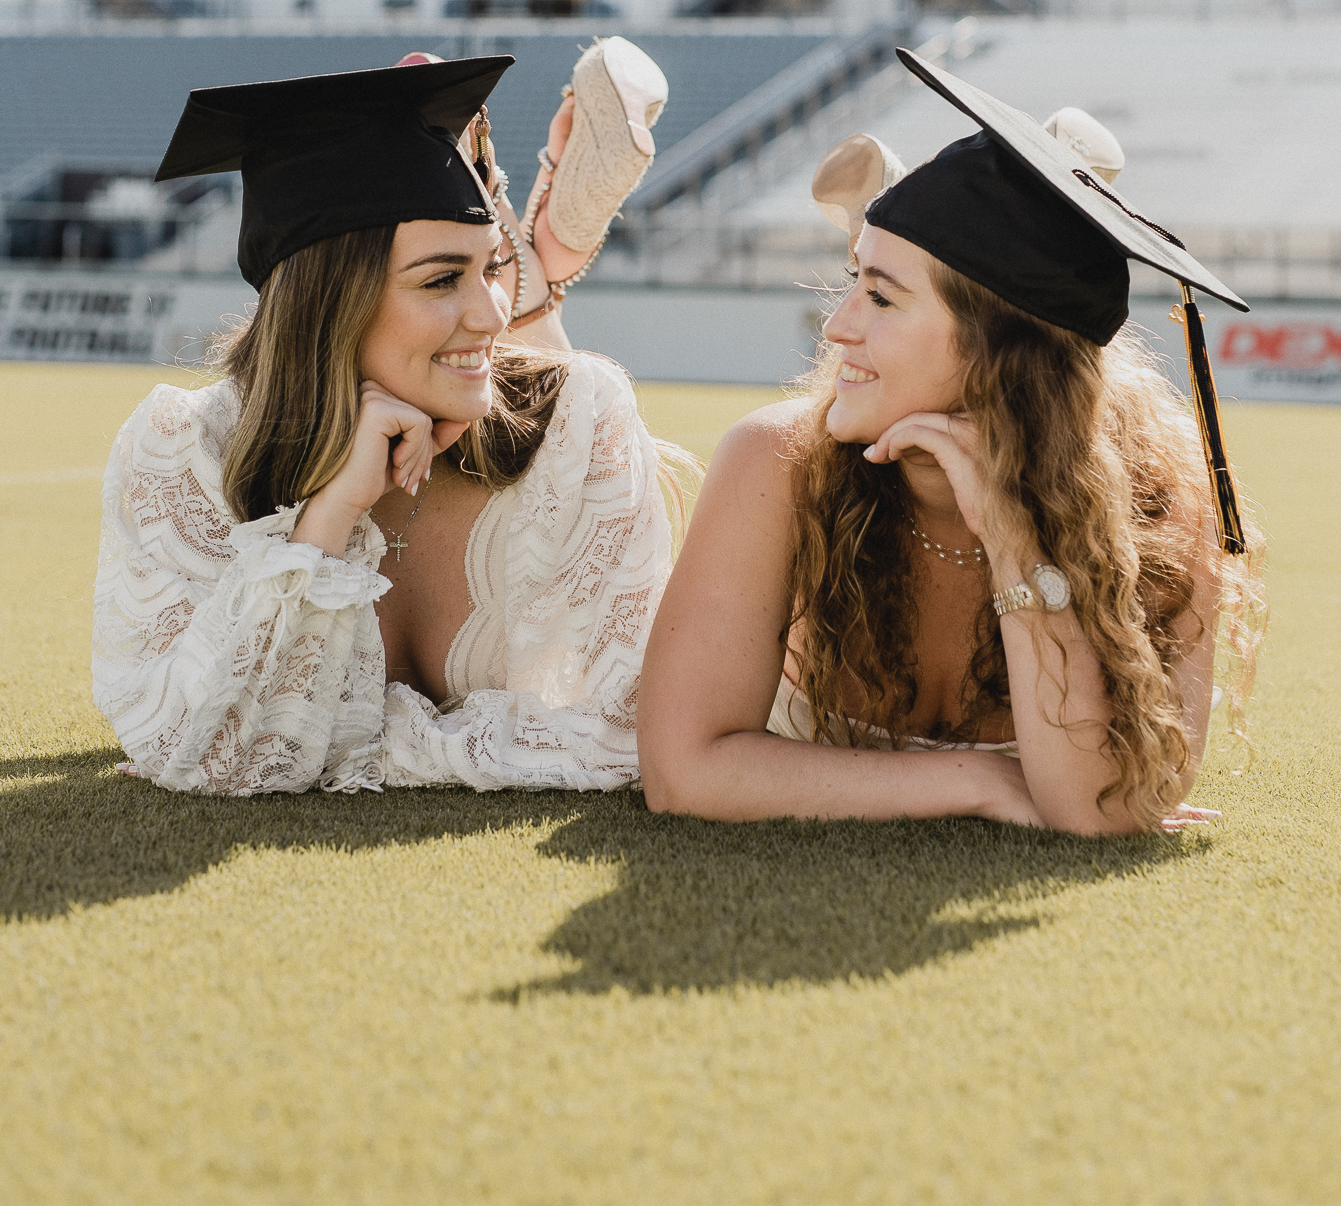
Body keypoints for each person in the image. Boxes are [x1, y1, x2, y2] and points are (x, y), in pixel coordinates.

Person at [638, 51, 1266, 836]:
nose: (836, 328)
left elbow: (1097, 810)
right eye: (853, 283)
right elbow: (682, 770)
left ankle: (1030, 187)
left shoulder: (1159, 510)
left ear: (994, 355)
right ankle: (1010, 188)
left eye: (879, 298)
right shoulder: (777, 463)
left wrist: (1013, 537)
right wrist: (977, 778)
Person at [93, 42, 682, 796]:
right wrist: (330, 516)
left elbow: (628, 734)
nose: (488, 312)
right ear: (330, 302)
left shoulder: (577, 420)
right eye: (442, 279)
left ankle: (539, 267)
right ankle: (538, 255)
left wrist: (369, 740)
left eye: (492, 268)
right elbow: (206, 758)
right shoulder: (189, 453)